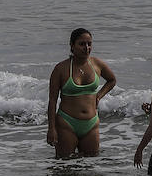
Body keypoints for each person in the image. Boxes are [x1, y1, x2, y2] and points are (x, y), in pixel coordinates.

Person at [46, 28, 117, 158]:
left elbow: (112, 80)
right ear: (72, 46)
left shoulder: (97, 64)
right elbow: (52, 101)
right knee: (64, 167)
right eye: (82, 44)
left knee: (91, 168)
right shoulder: (61, 69)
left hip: (91, 124)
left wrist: (99, 96)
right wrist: (51, 128)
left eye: (89, 44)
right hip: (66, 123)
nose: (87, 47)